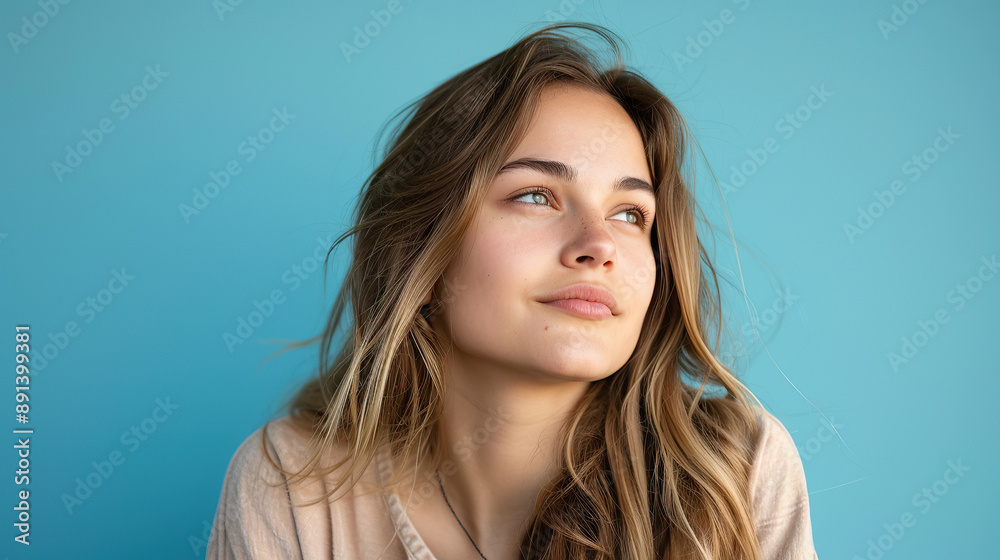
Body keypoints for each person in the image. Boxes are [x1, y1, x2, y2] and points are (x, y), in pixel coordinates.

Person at [206, 22, 818, 560]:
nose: (599, 243)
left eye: (631, 213)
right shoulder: (291, 482)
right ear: (421, 249)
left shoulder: (737, 472)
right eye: (535, 196)